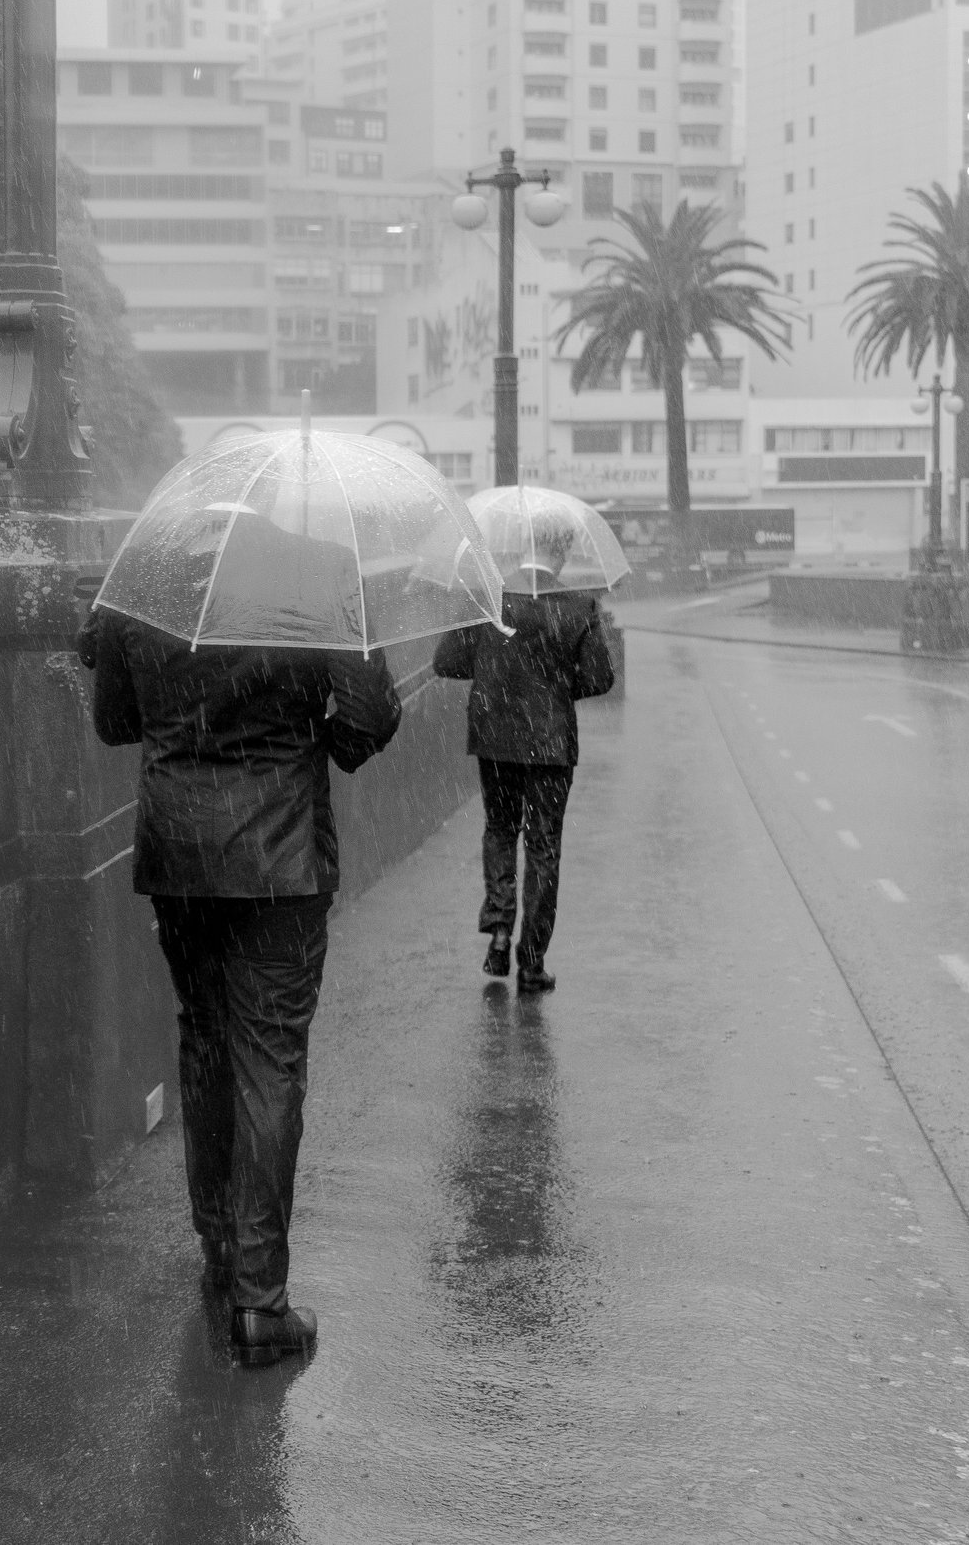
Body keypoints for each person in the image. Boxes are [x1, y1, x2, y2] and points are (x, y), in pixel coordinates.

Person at [79, 534, 401, 1367]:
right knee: (271, 1058)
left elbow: (116, 722)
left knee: (205, 1039)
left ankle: (218, 1247)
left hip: (181, 855)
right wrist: (307, 741)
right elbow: (371, 716)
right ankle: (261, 1300)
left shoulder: (147, 575)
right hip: (281, 862)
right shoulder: (313, 570)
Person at [432, 524, 615, 994]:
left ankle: (497, 928)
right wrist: (553, 692)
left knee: (500, 829)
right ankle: (532, 963)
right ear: (563, 554)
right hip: (552, 745)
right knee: (544, 845)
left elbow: (447, 662)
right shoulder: (580, 606)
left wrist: (496, 673)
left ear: (523, 547)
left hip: (495, 738)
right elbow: (599, 678)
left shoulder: (489, 600)